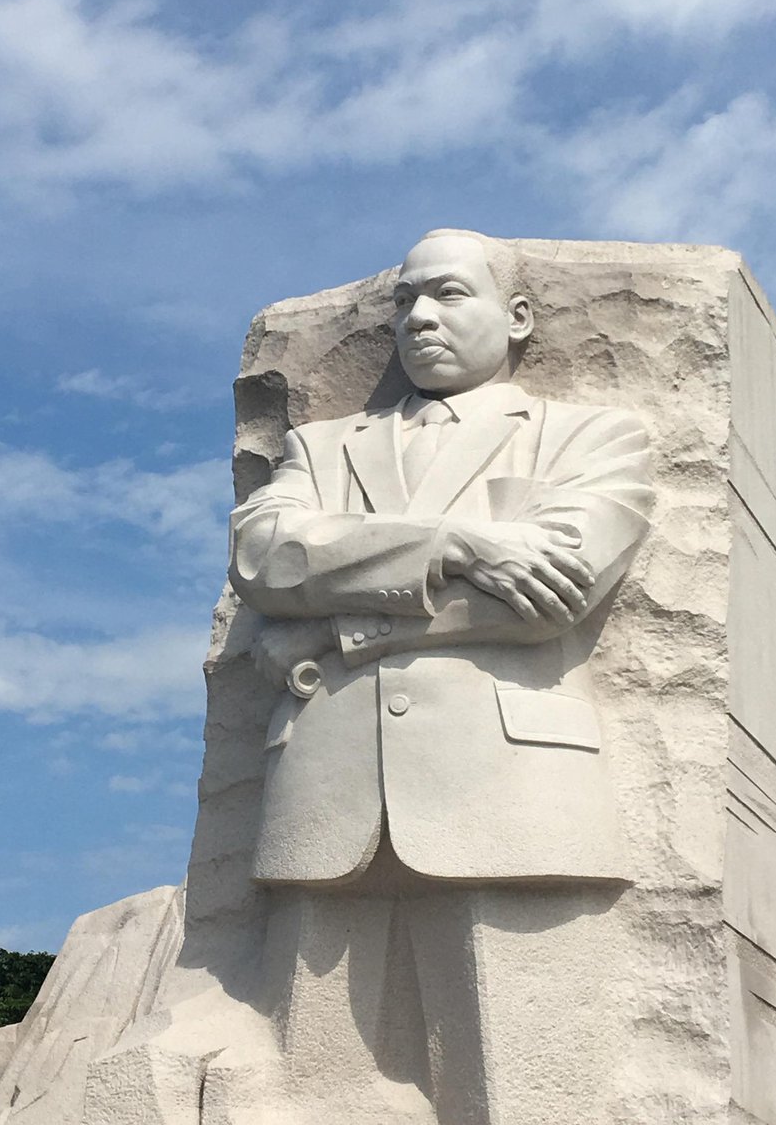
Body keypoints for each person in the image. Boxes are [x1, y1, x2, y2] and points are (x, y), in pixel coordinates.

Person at [227, 228, 654, 1123]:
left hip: (508, 789)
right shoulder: (322, 446)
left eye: (451, 295)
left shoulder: (589, 436)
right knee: (311, 1089)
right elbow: (267, 558)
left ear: (519, 317)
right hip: (327, 795)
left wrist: (340, 628)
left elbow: (549, 597)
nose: (419, 317)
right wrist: (454, 543)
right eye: (405, 300)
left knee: (530, 1087)